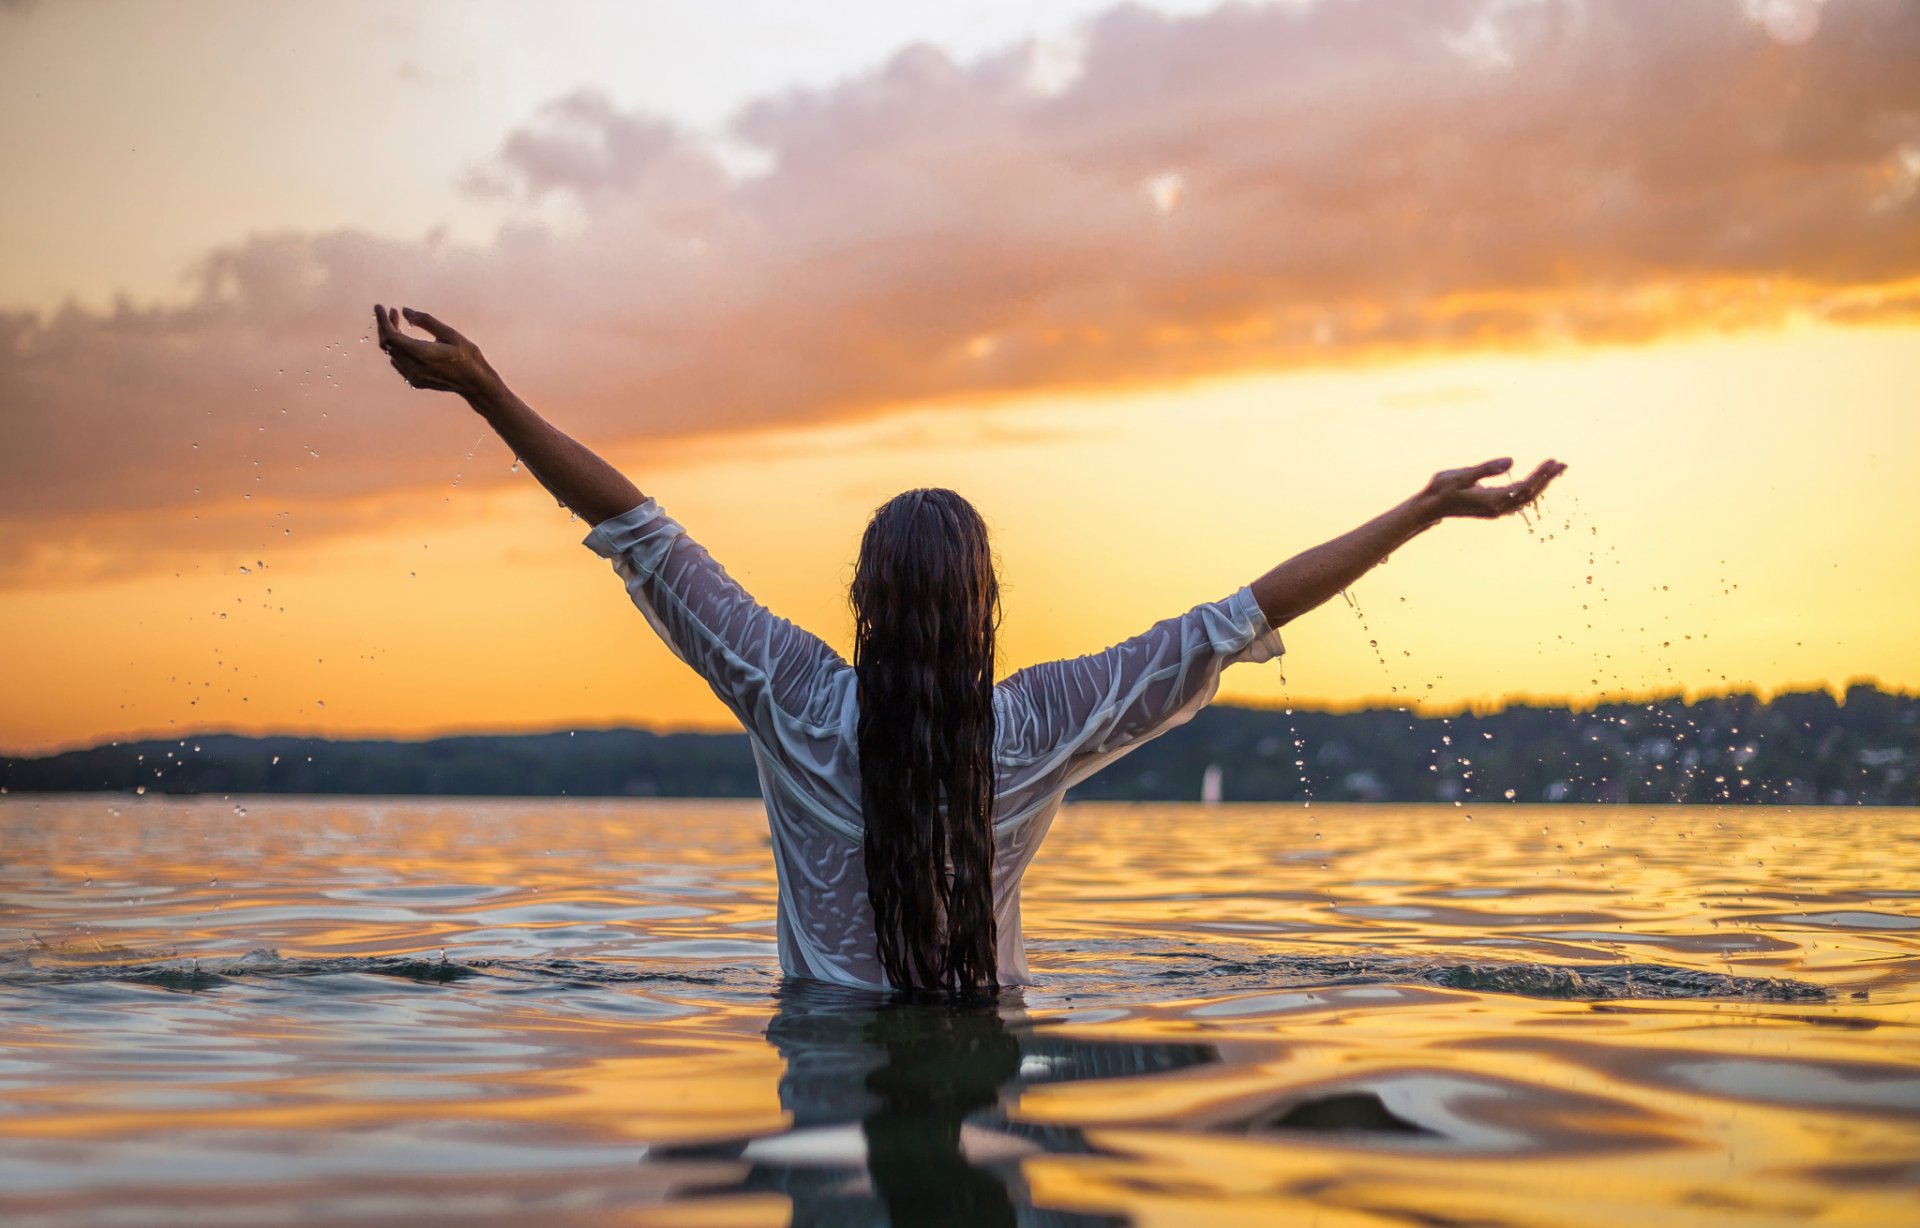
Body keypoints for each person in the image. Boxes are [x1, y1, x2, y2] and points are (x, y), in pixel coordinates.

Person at [373, 304, 1565, 998]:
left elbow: (636, 527)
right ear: (988, 606)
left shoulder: (792, 691)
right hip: (987, 1050)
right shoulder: (1039, 724)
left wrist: (485, 387)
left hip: (823, 1059)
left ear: (860, 600)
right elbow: (1240, 615)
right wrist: (1419, 510)